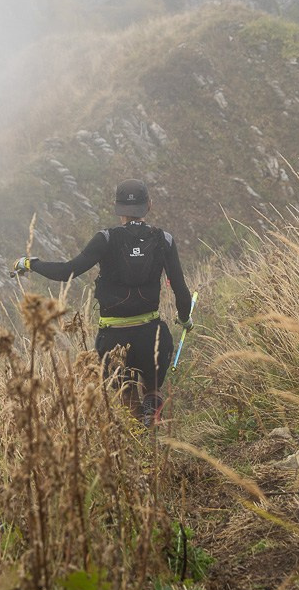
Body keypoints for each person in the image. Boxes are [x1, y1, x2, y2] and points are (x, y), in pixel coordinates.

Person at [12, 178, 194, 426]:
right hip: (153, 337)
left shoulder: (106, 239)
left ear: (117, 208)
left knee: (125, 391)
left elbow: (67, 271)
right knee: (151, 382)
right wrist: (185, 319)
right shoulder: (165, 240)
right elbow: (181, 291)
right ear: (149, 205)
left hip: (112, 340)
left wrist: (31, 263)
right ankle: (152, 403)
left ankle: (139, 432)